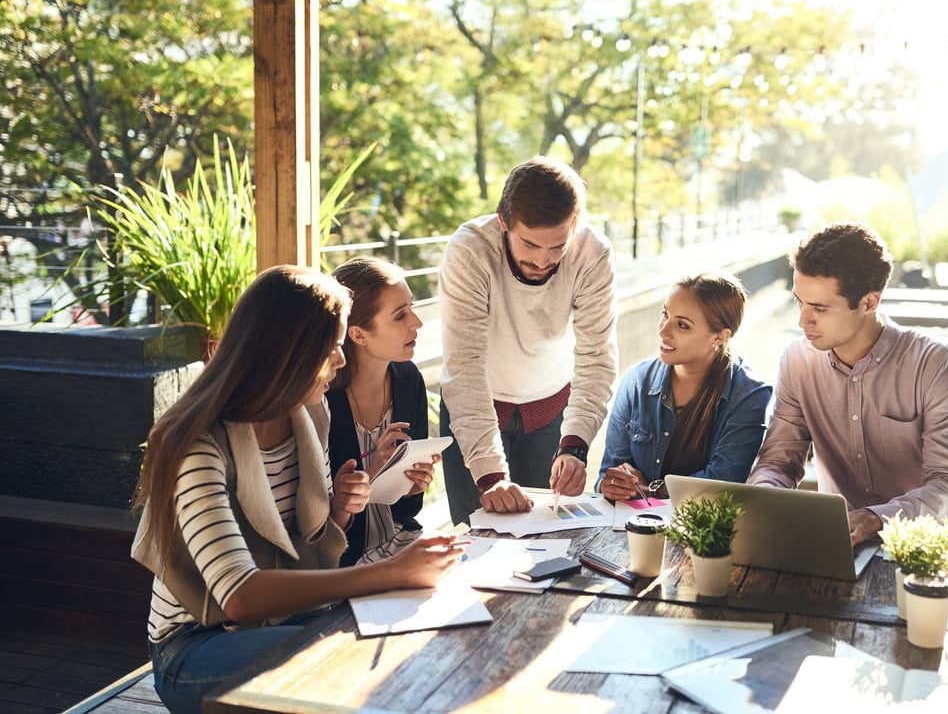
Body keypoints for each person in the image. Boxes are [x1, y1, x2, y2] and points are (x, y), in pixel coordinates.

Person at [130, 265, 464, 714]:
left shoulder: (308, 418)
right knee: (354, 663)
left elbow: (309, 540)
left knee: (419, 639)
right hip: (196, 645)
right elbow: (240, 596)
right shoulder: (197, 446)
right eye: (331, 348)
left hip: (291, 619)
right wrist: (391, 573)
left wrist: (343, 512)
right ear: (287, 353)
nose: (342, 359)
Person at [746, 221, 948, 545]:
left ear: (869, 303)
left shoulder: (936, 364)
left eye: (819, 308)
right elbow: (778, 462)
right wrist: (764, 500)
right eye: (799, 301)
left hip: (920, 548)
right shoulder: (797, 361)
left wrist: (873, 520)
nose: (802, 320)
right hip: (832, 545)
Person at [438, 155, 618, 525]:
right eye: (531, 245)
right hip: (476, 406)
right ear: (504, 221)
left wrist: (575, 446)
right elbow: (464, 365)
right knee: (475, 538)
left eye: (557, 247)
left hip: (551, 410)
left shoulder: (593, 254)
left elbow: (596, 357)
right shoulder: (470, 249)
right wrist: (490, 475)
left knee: (542, 538)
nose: (543, 260)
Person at [597, 271, 772, 500]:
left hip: (704, 529)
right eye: (665, 315)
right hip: (632, 524)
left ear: (719, 337)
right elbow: (607, 473)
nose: (663, 331)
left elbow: (724, 482)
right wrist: (612, 484)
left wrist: (652, 489)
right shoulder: (636, 382)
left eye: (682, 325)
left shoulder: (749, 395)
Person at [326, 256, 439, 566]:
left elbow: (408, 510)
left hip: (401, 544)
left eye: (411, 308)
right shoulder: (322, 399)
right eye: (400, 315)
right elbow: (320, 527)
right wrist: (373, 471)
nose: (417, 322)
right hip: (342, 564)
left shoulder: (407, 379)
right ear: (359, 334)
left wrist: (411, 485)